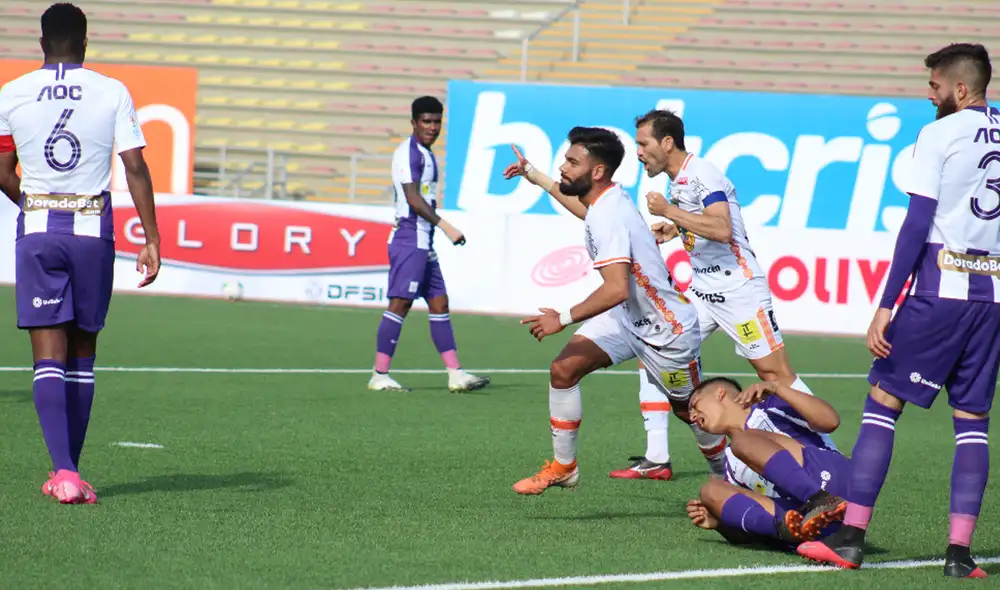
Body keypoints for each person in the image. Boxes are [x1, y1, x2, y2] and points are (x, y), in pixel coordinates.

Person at [797, 43, 998, 580]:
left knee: (883, 401)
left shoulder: (938, 134)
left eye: (934, 86)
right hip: (993, 297)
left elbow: (917, 224)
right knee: (973, 423)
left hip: (939, 290)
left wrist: (886, 304)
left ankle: (852, 539)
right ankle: (960, 554)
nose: (927, 95)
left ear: (959, 89)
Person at [503, 128, 727, 496]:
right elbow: (582, 210)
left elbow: (615, 288)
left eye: (573, 162)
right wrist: (535, 175)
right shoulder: (604, 200)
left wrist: (561, 318)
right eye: (565, 159)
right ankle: (564, 467)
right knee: (564, 369)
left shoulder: (609, 214)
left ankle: (729, 477)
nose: (563, 166)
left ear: (597, 171)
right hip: (628, 318)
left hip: (666, 333)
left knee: (692, 412)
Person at [0, 2, 161, 504]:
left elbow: (3, 170)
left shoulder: (12, 92)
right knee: (84, 356)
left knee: (48, 355)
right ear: (85, 44)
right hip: (94, 230)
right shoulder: (113, 91)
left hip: (41, 227)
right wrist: (152, 238)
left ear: (42, 44)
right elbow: (134, 166)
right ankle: (73, 469)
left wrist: (31, 202)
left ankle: (63, 472)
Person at [599, 109, 815, 482]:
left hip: (738, 291)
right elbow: (702, 225)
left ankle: (822, 447)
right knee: (657, 346)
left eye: (643, 143)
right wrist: (675, 227)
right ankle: (657, 457)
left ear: (667, 143)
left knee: (774, 374)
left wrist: (670, 212)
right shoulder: (679, 180)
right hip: (703, 290)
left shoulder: (703, 173)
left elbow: (721, 227)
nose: (638, 152)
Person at [368, 96, 490, 394]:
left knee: (439, 302)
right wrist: (446, 226)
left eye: (436, 122)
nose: (432, 127)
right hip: (410, 238)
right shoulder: (409, 154)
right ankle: (379, 374)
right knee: (401, 303)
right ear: (413, 123)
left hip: (424, 240)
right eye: (426, 121)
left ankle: (455, 374)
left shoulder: (425, 154)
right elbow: (412, 198)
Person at [685, 377, 849, 547]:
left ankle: (821, 500)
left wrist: (777, 387)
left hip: (833, 480)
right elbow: (751, 532)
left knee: (742, 441)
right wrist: (720, 523)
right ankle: (788, 529)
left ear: (720, 393)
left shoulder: (770, 405)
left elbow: (830, 421)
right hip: (806, 516)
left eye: (695, 404)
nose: (692, 416)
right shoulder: (731, 463)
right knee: (710, 491)